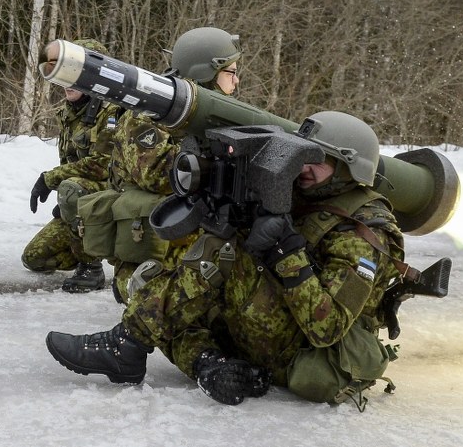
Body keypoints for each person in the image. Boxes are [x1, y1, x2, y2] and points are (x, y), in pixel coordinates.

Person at [46, 111, 405, 409]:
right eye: (304, 154)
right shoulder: (306, 193)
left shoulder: (364, 233)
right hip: (271, 325)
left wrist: (285, 252)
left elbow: (327, 328)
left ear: (348, 167)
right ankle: (204, 363)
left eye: (319, 160)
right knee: (160, 291)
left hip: (306, 346)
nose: (304, 166)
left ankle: (128, 343)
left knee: (219, 256)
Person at [58, 26, 242, 304]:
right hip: (153, 243)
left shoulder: (214, 115)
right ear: (207, 72)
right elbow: (156, 176)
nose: (237, 81)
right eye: (231, 72)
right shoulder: (150, 114)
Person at [21, 40, 121, 293]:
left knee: (71, 189)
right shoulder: (71, 111)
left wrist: (53, 181)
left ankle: (91, 267)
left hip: (114, 196)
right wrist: (69, 207)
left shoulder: (112, 112)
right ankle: (85, 242)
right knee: (34, 259)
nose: (66, 83)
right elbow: (71, 161)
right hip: (86, 195)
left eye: (75, 75)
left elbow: (102, 165)